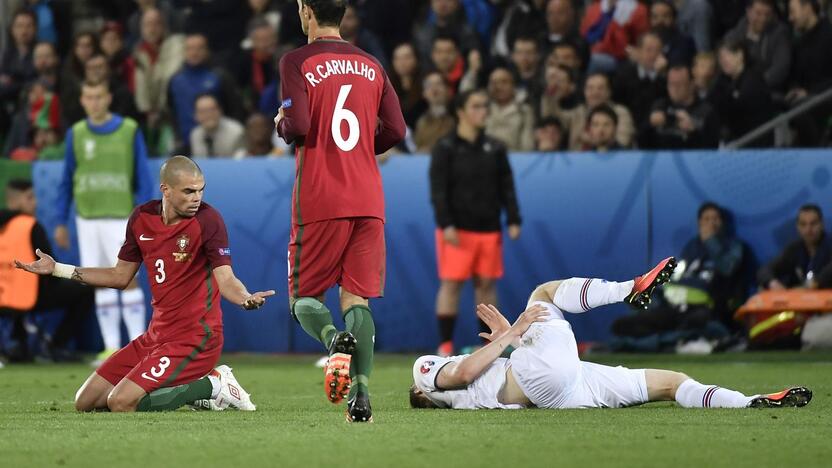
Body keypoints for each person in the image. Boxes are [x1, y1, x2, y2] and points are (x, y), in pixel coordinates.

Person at [16, 156, 272, 412]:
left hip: (196, 339)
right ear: (166, 190)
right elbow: (119, 276)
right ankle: (190, 387)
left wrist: (244, 297)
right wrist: (57, 269)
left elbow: (226, 278)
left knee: (120, 402)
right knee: (85, 402)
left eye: (200, 190)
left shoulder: (208, 220)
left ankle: (214, 385)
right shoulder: (141, 218)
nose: (197, 197)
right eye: (189, 191)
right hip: (155, 337)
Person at [409, 257, 813, 410]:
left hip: (568, 389)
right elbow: (460, 375)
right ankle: (629, 288)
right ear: (421, 390)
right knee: (543, 294)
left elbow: (484, 372)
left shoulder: (462, 398)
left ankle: (748, 402)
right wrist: (511, 332)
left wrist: (511, 339)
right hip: (538, 382)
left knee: (671, 384)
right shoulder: (425, 372)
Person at [274, 0, 406, 423]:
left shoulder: (297, 60)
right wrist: (364, 151)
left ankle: (333, 340)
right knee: (357, 298)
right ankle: (362, 396)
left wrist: (281, 123)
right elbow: (398, 129)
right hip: (368, 197)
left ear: (306, 11)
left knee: (303, 299)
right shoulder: (371, 64)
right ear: (343, 15)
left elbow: (298, 127)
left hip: (320, 196)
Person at [55, 80, 153, 367]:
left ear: (108, 98)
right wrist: (61, 220)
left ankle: (139, 344)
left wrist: (148, 213)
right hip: (87, 218)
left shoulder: (129, 130)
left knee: (128, 278)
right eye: (89, 97)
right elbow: (66, 179)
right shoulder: (76, 133)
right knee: (98, 280)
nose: (94, 102)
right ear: (82, 100)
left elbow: (143, 175)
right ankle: (111, 348)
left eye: (99, 96)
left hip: (121, 217)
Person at [430, 89, 522, 359]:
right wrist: (445, 223)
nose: (483, 111)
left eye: (485, 106)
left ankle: (488, 346)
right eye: (477, 106)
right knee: (451, 285)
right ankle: (445, 346)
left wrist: (514, 218)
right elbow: (439, 190)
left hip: (489, 228)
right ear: (461, 111)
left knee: (486, 286)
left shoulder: (495, 148)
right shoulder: (445, 148)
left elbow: (507, 187)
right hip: (456, 230)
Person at [612, 203, 749, 350]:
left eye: (715, 219)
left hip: (705, 308)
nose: (711, 223)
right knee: (621, 325)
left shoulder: (733, 246)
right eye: (706, 219)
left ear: (722, 223)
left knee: (699, 323)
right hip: (675, 307)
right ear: (699, 223)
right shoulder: (692, 246)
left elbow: (727, 269)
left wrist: (711, 241)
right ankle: (678, 342)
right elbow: (677, 276)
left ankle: (672, 342)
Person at [0, 180, 93, 363]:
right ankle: (55, 346)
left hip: (3, 296)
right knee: (85, 291)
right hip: (29, 295)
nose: (34, 203)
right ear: (14, 201)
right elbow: (48, 267)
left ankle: (19, 343)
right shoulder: (30, 225)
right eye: (29, 198)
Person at [639, 64, 719, 149]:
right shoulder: (660, 106)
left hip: (692, 159)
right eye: (671, 84)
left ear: (691, 84)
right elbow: (641, 143)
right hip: (662, 159)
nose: (674, 89)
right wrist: (649, 124)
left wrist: (693, 132)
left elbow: (713, 148)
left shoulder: (706, 112)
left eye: (679, 84)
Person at [758, 204, 832, 290]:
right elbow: (764, 270)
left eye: (813, 223)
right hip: (800, 300)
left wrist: (815, 283)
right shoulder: (794, 249)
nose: (808, 229)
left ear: (822, 224)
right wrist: (772, 283)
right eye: (803, 224)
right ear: (798, 227)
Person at [723, 0, 791, 91]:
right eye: (758, 14)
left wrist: (756, 86)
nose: (763, 19)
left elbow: (780, 68)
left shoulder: (779, 33)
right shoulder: (735, 35)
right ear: (748, 11)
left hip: (767, 91)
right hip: (737, 90)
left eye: (767, 14)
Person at [485, 67, 536, 151]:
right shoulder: (483, 108)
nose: (499, 87)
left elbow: (527, 143)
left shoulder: (524, 111)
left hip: (513, 158)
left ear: (513, 86)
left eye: (504, 82)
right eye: (494, 83)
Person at [189, 93, 245, 158]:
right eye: (203, 111)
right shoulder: (195, 135)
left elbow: (240, 163)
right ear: (196, 115)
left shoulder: (236, 132)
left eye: (212, 110)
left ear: (220, 110)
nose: (208, 115)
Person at [414, 72, 455, 152]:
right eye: (429, 85)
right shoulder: (420, 121)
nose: (434, 88)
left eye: (439, 84)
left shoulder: (458, 117)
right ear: (424, 93)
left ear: (448, 90)